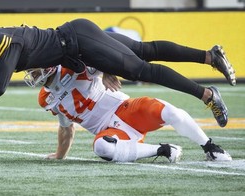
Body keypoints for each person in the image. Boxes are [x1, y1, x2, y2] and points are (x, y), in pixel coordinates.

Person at [0, 16, 236, 128]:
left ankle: (207, 94)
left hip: (79, 41)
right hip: (78, 44)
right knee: (143, 50)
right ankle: (210, 55)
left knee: (139, 67)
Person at [23, 65, 232, 162]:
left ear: (49, 66)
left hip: (126, 110)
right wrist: (60, 155)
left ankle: (210, 147)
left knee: (169, 112)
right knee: (101, 147)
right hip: (113, 131)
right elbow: (66, 127)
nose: (31, 75)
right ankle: (163, 150)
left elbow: (102, 57)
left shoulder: (73, 67)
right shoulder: (45, 98)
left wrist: (105, 71)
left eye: (33, 70)